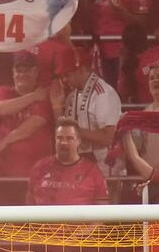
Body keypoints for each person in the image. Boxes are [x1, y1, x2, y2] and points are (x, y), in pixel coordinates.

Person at [51, 46, 123, 175]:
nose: (65, 80)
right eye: (63, 76)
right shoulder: (71, 96)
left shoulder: (103, 93)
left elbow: (108, 137)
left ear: (83, 69)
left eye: (68, 74)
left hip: (105, 170)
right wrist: (56, 106)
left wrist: (73, 131)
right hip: (80, 170)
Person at [0, 55, 55, 194]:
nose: (22, 74)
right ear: (12, 73)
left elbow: (32, 125)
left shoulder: (46, 94)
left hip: (39, 176)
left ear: (36, 72)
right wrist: (33, 97)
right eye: (18, 71)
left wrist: (4, 142)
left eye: (27, 70)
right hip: (5, 175)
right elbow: (1, 109)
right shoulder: (4, 91)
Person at [28, 118, 110, 205]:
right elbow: (28, 206)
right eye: (59, 138)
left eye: (69, 138)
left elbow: (103, 211)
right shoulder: (40, 167)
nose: (63, 142)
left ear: (78, 141)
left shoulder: (92, 172)